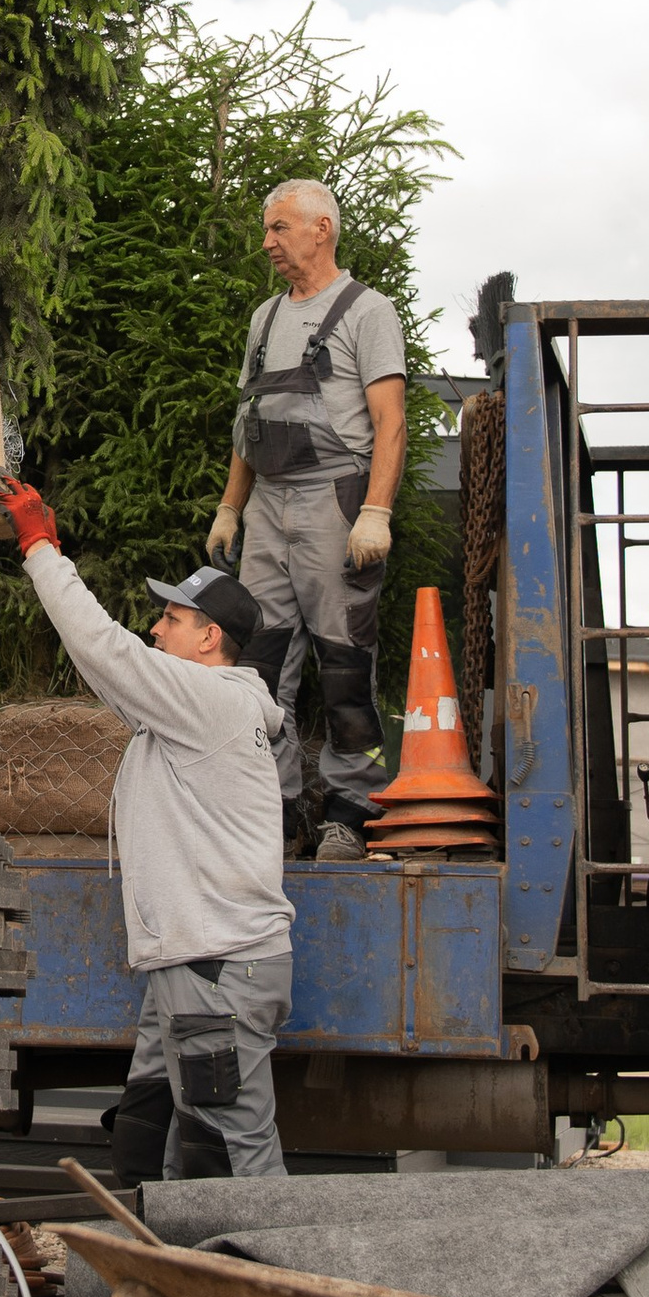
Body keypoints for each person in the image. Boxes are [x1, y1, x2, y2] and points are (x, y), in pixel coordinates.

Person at [0, 469, 297, 1181]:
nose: (155, 627)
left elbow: (106, 649)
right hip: (192, 968)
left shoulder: (211, 701)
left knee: (228, 1153)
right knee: (147, 1126)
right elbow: (109, 673)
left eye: (172, 619)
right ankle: (134, 1279)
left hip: (218, 970)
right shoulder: (190, 711)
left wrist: (41, 547)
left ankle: (273, 1282)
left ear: (209, 638)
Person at [205, 178, 408, 862]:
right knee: (261, 666)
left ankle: (350, 808)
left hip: (335, 502)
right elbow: (248, 425)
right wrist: (231, 507)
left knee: (344, 661)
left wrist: (375, 511)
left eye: (280, 228)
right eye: (268, 230)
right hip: (268, 506)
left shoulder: (367, 311)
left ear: (322, 229)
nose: (267, 243)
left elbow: (391, 422)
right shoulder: (264, 319)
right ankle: (279, 809)